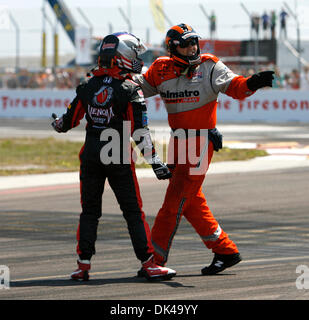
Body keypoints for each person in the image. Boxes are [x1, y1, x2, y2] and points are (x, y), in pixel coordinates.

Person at [134, 23, 274, 275]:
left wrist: (252, 82)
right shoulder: (159, 68)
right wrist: (113, 79)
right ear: (173, 47)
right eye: (187, 43)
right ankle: (225, 251)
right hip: (177, 141)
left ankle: (154, 260)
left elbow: (236, 88)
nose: (193, 47)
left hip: (200, 142)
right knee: (191, 199)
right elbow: (135, 89)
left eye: (195, 42)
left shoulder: (210, 65)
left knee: (173, 203)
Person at [51, 32, 176, 282]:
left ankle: (82, 265)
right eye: (135, 54)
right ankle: (149, 264)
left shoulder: (88, 86)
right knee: (133, 212)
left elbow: (66, 122)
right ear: (123, 57)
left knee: (89, 212)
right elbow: (140, 133)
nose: (139, 59)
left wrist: (56, 123)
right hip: (117, 155)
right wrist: (156, 163)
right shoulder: (130, 89)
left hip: (90, 155)